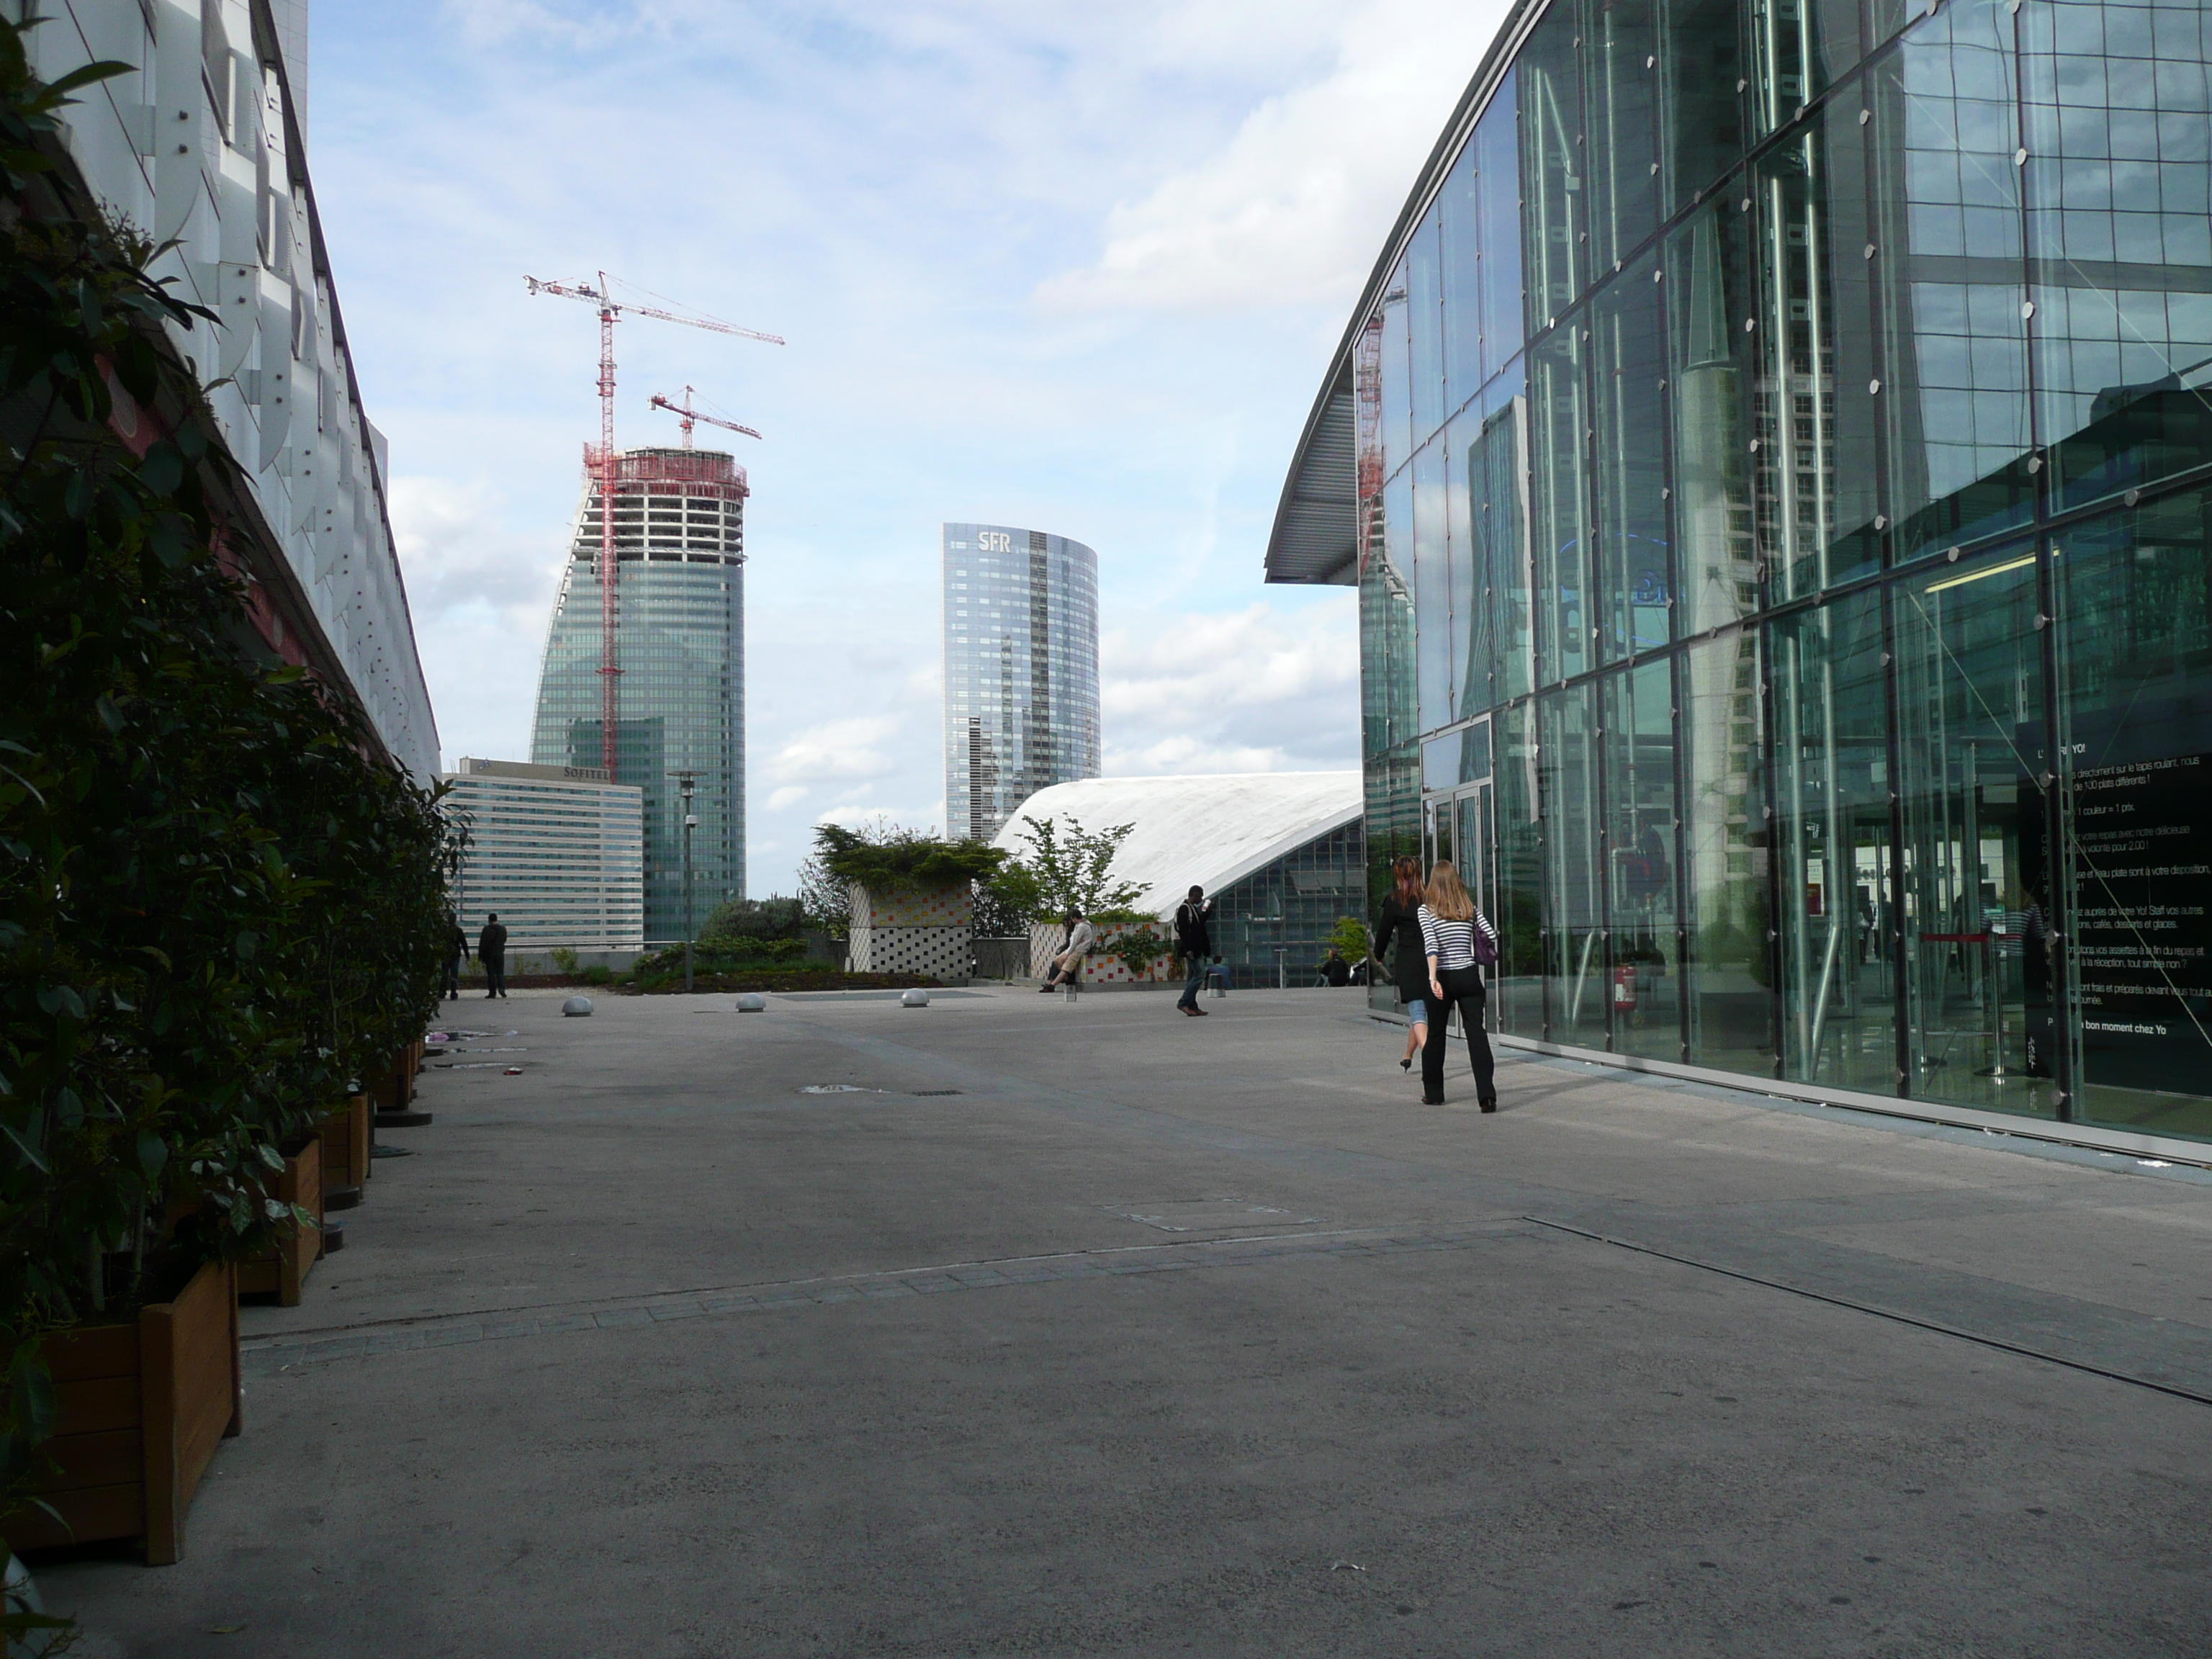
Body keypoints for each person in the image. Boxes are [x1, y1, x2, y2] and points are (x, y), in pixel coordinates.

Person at [1419, 860, 1498, 1110]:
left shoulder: (1426, 910)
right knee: (1477, 1034)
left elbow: (1431, 946)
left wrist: (1432, 978)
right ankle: (1487, 1096)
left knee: (1436, 1035)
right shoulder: (1469, 908)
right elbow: (1492, 935)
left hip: (1442, 976)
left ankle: (1434, 1092)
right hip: (1469, 976)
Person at [1371, 856, 1430, 1074]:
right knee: (1422, 1011)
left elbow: (1384, 933)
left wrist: (1378, 956)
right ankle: (1408, 1055)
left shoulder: (1395, 901)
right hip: (1433, 959)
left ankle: (1430, 1058)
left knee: (1417, 1010)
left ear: (1398, 876)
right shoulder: (1431, 898)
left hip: (1409, 960)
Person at [1174, 886, 1216, 1016]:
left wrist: (1208, 912)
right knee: (1200, 974)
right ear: (1195, 894)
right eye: (1200, 896)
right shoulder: (1184, 909)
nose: (1201, 899)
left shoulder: (1191, 909)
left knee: (1192, 977)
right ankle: (1184, 1003)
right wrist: (1189, 949)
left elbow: (1198, 925)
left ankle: (1192, 1006)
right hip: (1192, 948)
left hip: (1195, 947)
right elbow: (1184, 931)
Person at [1040, 909, 1095, 992]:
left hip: (1079, 950)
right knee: (1057, 961)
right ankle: (1067, 978)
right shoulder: (1079, 926)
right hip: (1074, 948)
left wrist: (1067, 954)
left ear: (1074, 918)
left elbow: (1075, 941)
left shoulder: (1083, 927)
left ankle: (1053, 985)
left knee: (1066, 967)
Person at [479, 912, 509, 999]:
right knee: (500, 972)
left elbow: (482, 943)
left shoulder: (486, 930)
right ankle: (502, 988)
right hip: (500, 953)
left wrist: (481, 956)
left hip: (490, 954)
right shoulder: (503, 929)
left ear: (489, 920)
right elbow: (504, 940)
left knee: (491, 973)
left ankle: (492, 992)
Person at [442, 917, 467, 1001]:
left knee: (445, 974)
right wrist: (467, 954)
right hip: (455, 955)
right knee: (454, 974)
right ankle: (453, 993)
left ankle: (442, 992)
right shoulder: (458, 930)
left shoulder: (444, 931)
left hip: (445, 954)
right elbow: (464, 943)